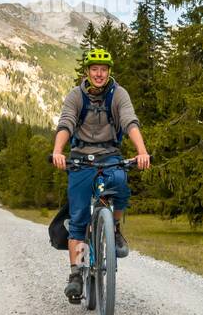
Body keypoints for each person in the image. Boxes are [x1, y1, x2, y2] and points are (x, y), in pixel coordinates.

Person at [51, 46, 151, 301]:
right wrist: (58, 151)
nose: (98, 74)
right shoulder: (76, 96)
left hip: (110, 155)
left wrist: (142, 151)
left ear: (108, 72)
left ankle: (113, 228)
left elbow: (130, 121)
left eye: (103, 70)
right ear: (87, 71)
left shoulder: (118, 94)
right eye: (94, 69)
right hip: (80, 158)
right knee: (79, 218)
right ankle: (76, 275)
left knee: (119, 186)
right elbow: (66, 123)